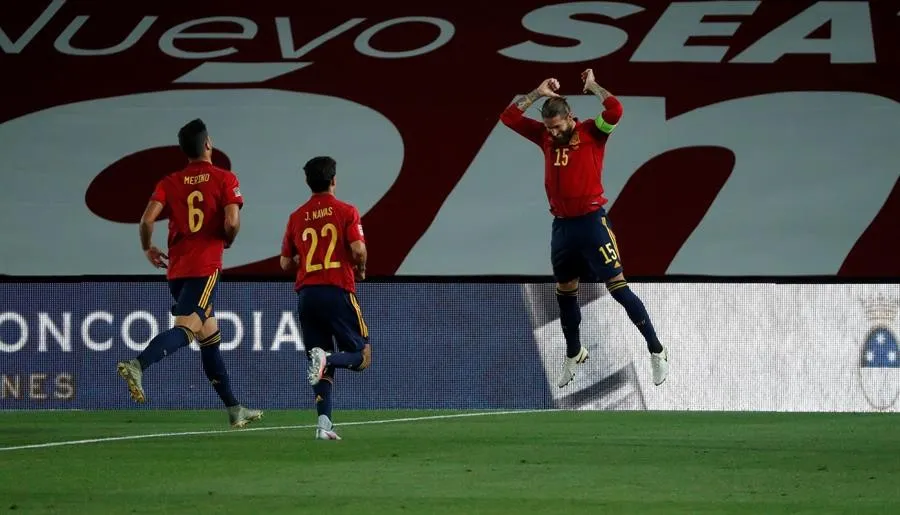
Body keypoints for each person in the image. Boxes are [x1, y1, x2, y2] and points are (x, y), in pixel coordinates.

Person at [499, 69, 669, 388]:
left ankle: (656, 349)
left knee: (617, 287)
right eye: (548, 127)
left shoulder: (594, 132)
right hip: (563, 228)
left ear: (570, 118)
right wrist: (536, 93)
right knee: (565, 293)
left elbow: (615, 110)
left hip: (592, 223)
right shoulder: (545, 136)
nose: (552, 132)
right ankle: (574, 352)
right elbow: (508, 117)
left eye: (557, 126)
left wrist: (593, 87)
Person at [116, 118, 263, 428]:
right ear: (208, 143)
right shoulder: (224, 178)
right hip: (205, 267)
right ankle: (138, 364)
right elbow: (232, 221)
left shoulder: (170, 182)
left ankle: (235, 409)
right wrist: (228, 238)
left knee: (209, 338)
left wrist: (148, 248)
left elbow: (146, 220)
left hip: (177, 269)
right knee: (186, 328)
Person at [280, 156, 371, 441]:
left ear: (308, 183)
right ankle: (327, 356)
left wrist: (305, 259)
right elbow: (358, 250)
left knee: (319, 363)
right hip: (337, 289)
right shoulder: (346, 211)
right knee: (362, 356)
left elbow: (285, 264)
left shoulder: (296, 217)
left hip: (307, 295)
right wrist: (362, 268)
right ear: (334, 180)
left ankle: (324, 424)